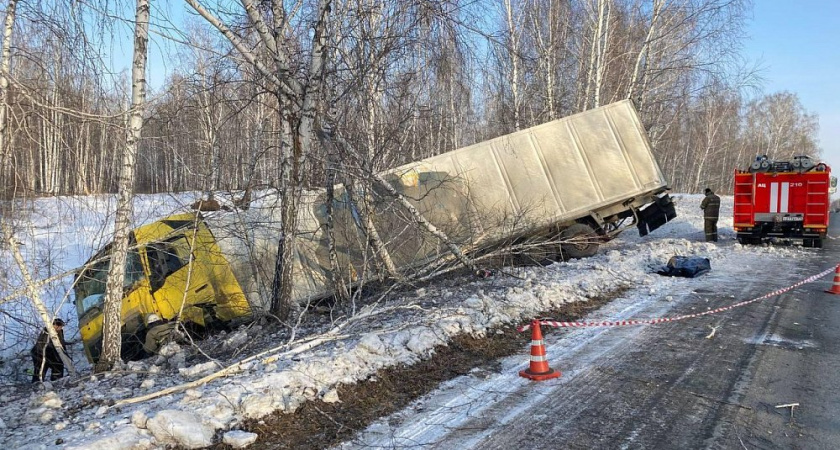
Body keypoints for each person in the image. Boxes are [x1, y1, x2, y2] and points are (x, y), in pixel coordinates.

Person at [31, 318, 69, 383]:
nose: (59, 328)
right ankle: (36, 384)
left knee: (59, 365)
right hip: (39, 354)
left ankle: (56, 381)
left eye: (61, 326)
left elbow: (61, 343)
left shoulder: (60, 332)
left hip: (49, 353)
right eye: (58, 326)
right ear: (54, 325)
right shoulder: (46, 331)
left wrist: (65, 353)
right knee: (41, 369)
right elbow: (45, 346)